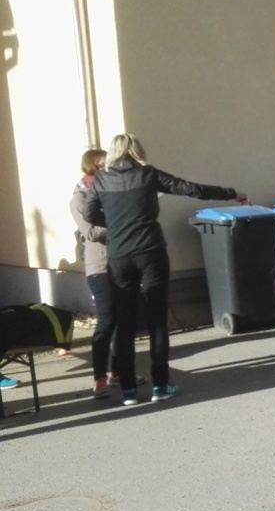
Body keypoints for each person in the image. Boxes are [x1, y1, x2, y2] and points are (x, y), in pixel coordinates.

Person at [82, 134, 245, 405]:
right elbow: (190, 188)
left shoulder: (101, 180)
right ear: (136, 151)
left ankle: (130, 391)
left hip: (119, 256)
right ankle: (160, 385)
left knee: (125, 323)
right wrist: (231, 194)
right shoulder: (148, 174)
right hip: (150, 252)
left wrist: (115, 223)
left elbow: (89, 215)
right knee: (157, 320)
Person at [68, 148, 121, 399]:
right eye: (103, 166)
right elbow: (90, 233)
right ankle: (100, 378)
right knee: (106, 320)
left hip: (121, 263)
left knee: (124, 319)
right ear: (91, 167)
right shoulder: (79, 198)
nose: (108, 169)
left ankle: (119, 373)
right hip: (99, 267)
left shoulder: (112, 191)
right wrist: (122, 223)